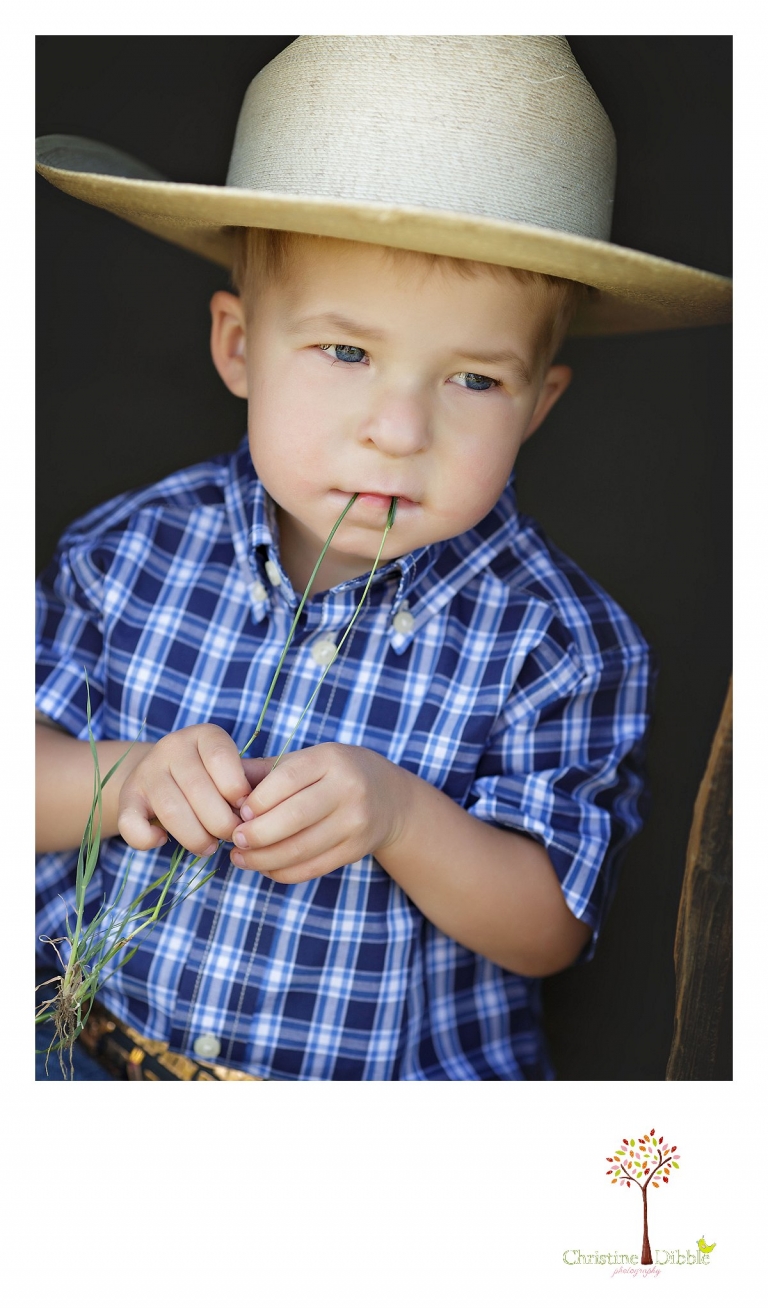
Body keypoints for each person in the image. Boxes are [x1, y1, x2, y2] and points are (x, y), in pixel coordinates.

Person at [35, 36, 731, 1080]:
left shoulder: (561, 644)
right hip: (80, 1058)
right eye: (348, 353)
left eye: (475, 381)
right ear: (238, 348)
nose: (399, 429)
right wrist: (123, 779)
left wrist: (403, 816)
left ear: (540, 406)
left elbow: (551, 928)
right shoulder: (128, 551)